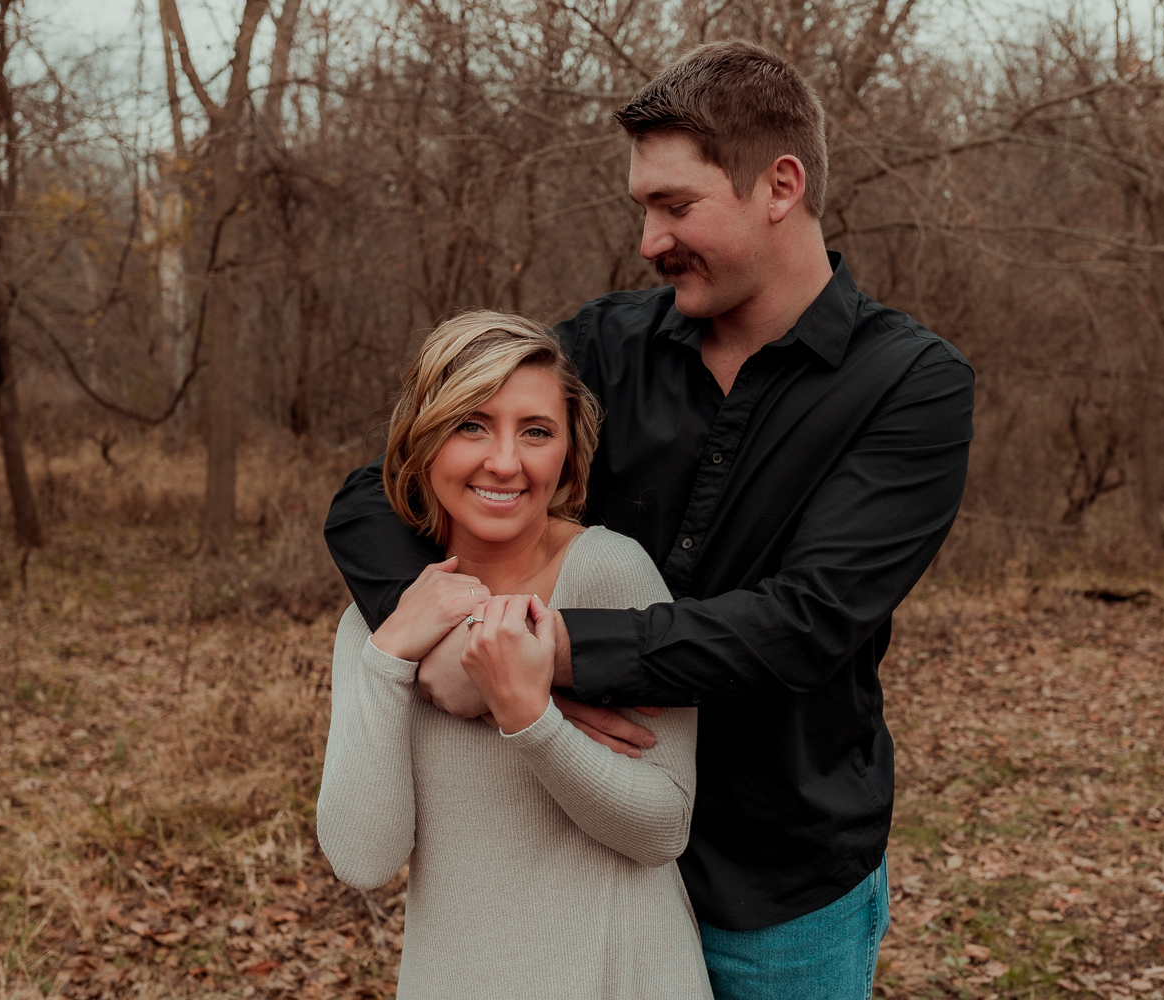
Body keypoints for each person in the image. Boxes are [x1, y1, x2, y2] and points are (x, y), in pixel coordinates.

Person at [325, 41, 974, 1000]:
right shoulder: (604, 346)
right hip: (579, 872)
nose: (648, 240)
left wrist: (545, 654)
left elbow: (805, 624)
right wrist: (465, 642)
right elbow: (374, 495)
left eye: (675, 206)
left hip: (772, 884)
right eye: (642, 209)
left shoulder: (910, 386)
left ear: (780, 186)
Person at [316, 312, 711, 1000]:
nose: (505, 461)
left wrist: (530, 715)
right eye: (471, 424)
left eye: (536, 431)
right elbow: (364, 857)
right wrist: (387, 659)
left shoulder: (610, 576)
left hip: (621, 979)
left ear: (569, 456)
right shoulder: (374, 623)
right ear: (421, 438)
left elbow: (662, 830)